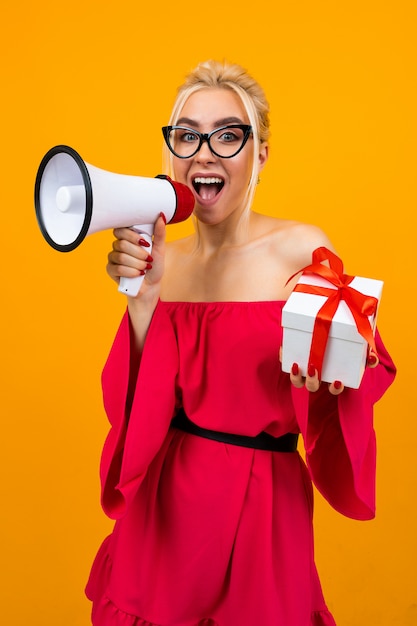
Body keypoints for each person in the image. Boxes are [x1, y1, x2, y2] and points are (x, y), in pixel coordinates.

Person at [85, 60, 396, 626]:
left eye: (228, 135)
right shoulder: (164, 262)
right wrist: (142, 302)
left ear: (261, 153)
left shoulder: (303, 251)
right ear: (172, 152)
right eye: (187, 135)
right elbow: (130, 410)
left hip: (263, 510)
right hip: (165, 515)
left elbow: (352, 379)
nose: (204, 152)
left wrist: (326, 382)